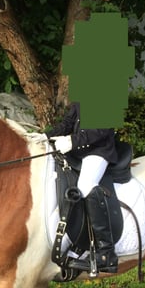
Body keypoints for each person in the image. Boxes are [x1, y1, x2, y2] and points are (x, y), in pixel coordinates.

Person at [46, 102, 119, 274]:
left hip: (99, 151)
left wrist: (72, 140)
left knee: (85, 186)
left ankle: (106, 253)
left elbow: (103, 130)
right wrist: (44, 137)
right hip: (78, 151)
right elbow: (68, 123)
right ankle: (77, 240)